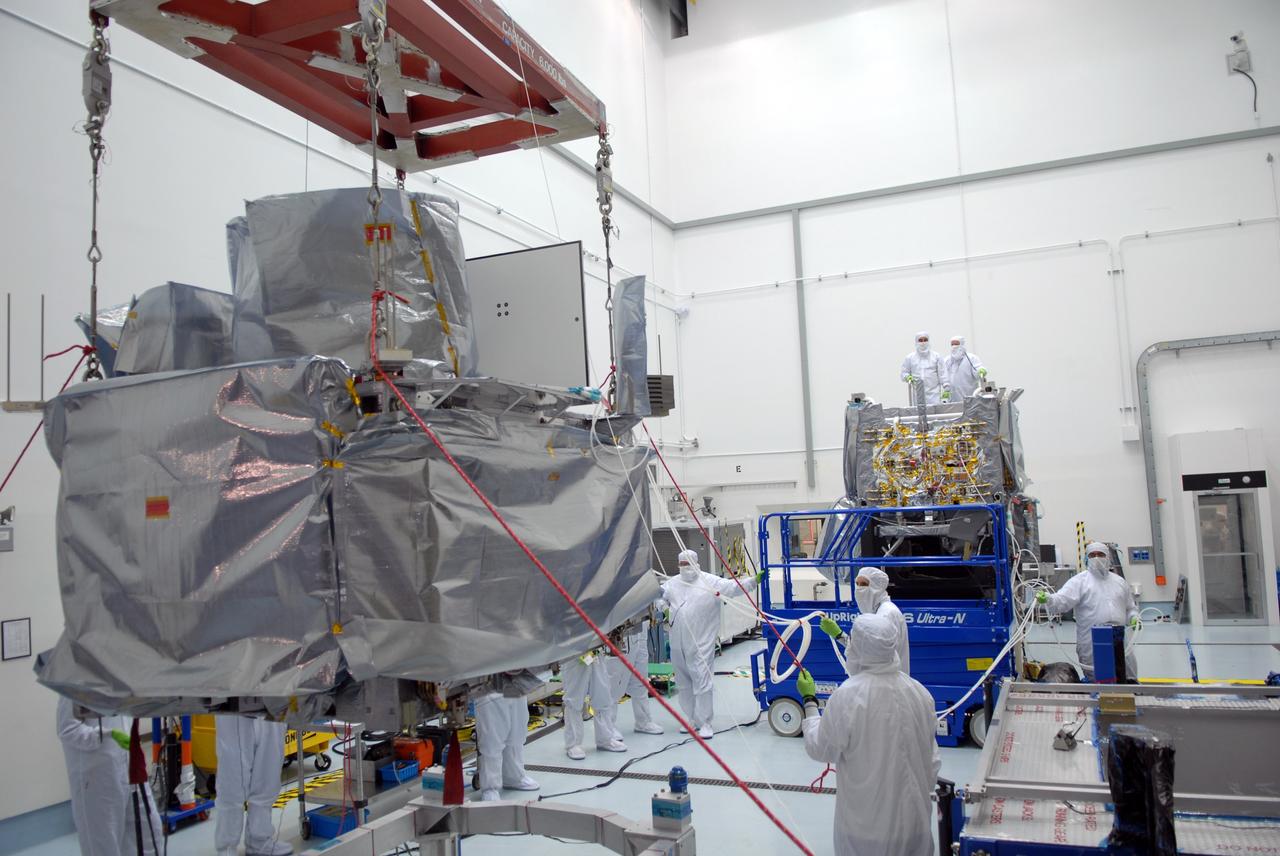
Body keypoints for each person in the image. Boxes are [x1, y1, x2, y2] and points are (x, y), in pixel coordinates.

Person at [796, 614, 939, 856]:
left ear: (860, 646)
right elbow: (932, 761)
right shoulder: (919, 692)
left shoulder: (848, 696)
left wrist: (810, 701)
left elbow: (821, 749)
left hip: (866, 832)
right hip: (916, 825)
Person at [659, 549, 763, 739]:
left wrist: (754, 581)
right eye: (682, 564)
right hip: (677, 644)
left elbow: (733, 587)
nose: (685, 568)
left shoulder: (710, 581)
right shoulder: (673, 583)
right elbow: (659, 596)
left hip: (701, 643)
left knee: (702, 682)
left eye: (688, 564)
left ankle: (705, 722)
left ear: (697, 563)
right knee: (683, 684)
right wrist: (664, 608)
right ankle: (690, 719)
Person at [57, 696, 164, 856]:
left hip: (128, 769)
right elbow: (67, 729)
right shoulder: (74, 677)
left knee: (150, 834)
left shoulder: (118, 676)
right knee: (104, 845)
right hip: (96, 776)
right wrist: (104, 735)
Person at [1036, 541, 1139, 681]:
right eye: (1092, 555)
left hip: (1120, 637)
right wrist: (1048, 599)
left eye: (1101, 554)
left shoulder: (1119, 582)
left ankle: (1129, 691)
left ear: (1108, 557)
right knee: (1097, 677)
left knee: (1127, 672)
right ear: (1086, 559)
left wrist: (1133, 617)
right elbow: (1062, 600)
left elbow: (1130, 607)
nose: (1097, 558)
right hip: (1092, 639)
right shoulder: (1079, 581)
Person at [215, 715, 293, 856]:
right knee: (233, 778)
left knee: (268, 775)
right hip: (235, 706)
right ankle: (227, 847)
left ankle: (259, 840)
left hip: (272, 702)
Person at [819, 567, 910, 674]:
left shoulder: (886, 615)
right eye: (857, 584)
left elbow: (868, 657)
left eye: (864, 584)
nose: (859, 588)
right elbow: (865, 648)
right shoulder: (878, 611)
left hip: (885, 684)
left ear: (877, 587)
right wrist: (838, 634)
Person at [473, 670, 541, 801]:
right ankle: (490, 787)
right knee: (492, 736)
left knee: (517, 731)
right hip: (489, 680)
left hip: (515, 677)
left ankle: (514, 777)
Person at [561, 650, 626, 760]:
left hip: (595, 652)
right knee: (574, 698)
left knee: (602, 694)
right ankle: (573, 744)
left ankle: (605, 738)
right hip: (574, 652)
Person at [607, 618, 665, 736]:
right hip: (621, 631)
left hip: (640, 630)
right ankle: (608, 727)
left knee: (641, 681)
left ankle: (643, 721)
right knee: (615, 683)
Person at [899, 331, 947, 405]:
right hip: (917, 395)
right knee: (919, 414)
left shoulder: (936, 356)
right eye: (920, 340)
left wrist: (946, 389)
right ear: (916, 342)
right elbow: (904, 373)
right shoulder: (910, 358)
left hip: (934, 394)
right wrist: (908, 377)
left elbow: (943, 374)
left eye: (925, 340)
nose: (923, 343)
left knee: (935, 415)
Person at [942, 334, 988, 399]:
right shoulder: (947, 360)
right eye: (952, 344)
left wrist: (981, 370)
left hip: (970, 397)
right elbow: (944, 376)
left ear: (962, 344)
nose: (954, 346)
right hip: (953, 399)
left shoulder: (971, 358)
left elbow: (977, 370)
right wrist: (946, 389)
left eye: (956, 344)